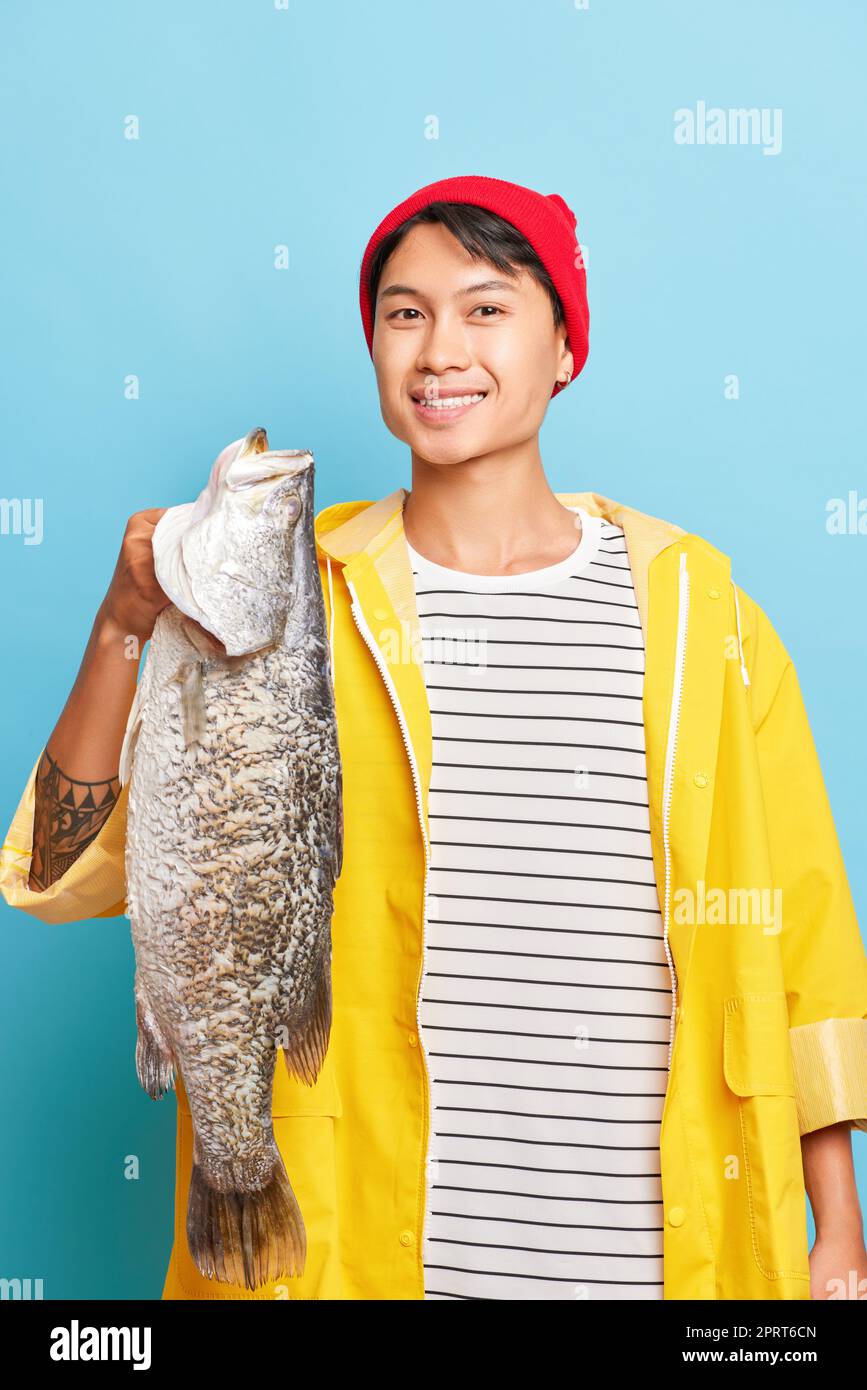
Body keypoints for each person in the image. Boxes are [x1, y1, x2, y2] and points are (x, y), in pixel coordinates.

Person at [2, 174, 866, 1302]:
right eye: (404, 313)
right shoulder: (282, 599)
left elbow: (801, 941)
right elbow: (58, 875)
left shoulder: (703, 612)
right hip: (361, 1250)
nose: (439, 349)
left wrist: (838, 1226)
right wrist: (125, 620)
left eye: (486, 306)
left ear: (565, 346)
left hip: (664, 1268)